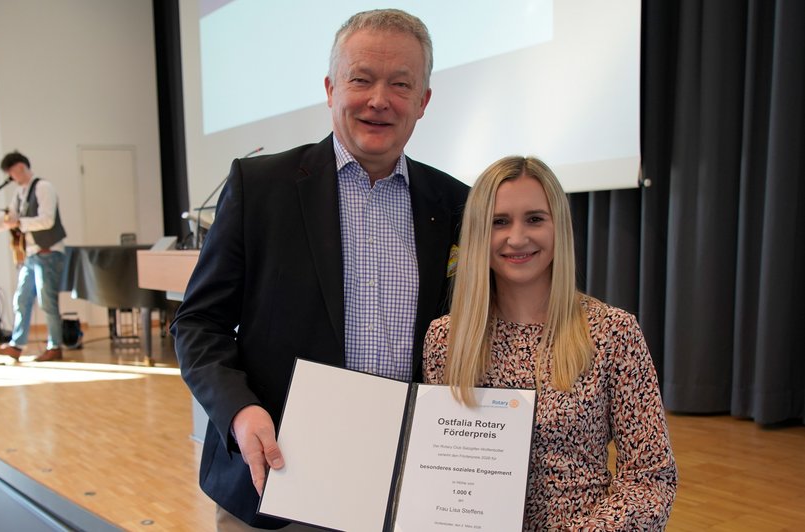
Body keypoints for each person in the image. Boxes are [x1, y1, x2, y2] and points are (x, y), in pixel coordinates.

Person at [172, 9, 470, 531]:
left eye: (401, 84)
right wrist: (241, 412)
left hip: (407, 492)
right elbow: (198, 324)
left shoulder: (455, 204)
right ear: (331, 88)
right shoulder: (258, 187)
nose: (379, 99)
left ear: (423, 102)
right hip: (278, 484)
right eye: (361, 79)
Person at [423, 156, 677, 530]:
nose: (517, 237)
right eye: (499, 222)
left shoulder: (612, 333)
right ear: (477, 234)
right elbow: (443, 471)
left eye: (535, 219)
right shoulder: (446, 339)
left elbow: (651, 481)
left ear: (560, 228)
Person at [0, 151, 67, 363]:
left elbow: (47, 220)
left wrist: (19, 224)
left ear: (20, 168)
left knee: (47, 302)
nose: (12, 177)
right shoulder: (20, 193)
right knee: (22, 299)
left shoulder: (44, 188)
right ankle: (17, 345)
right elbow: (9, 217)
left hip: (49, 252)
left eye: (12, 173)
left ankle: (55, 346)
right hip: (31, 254)